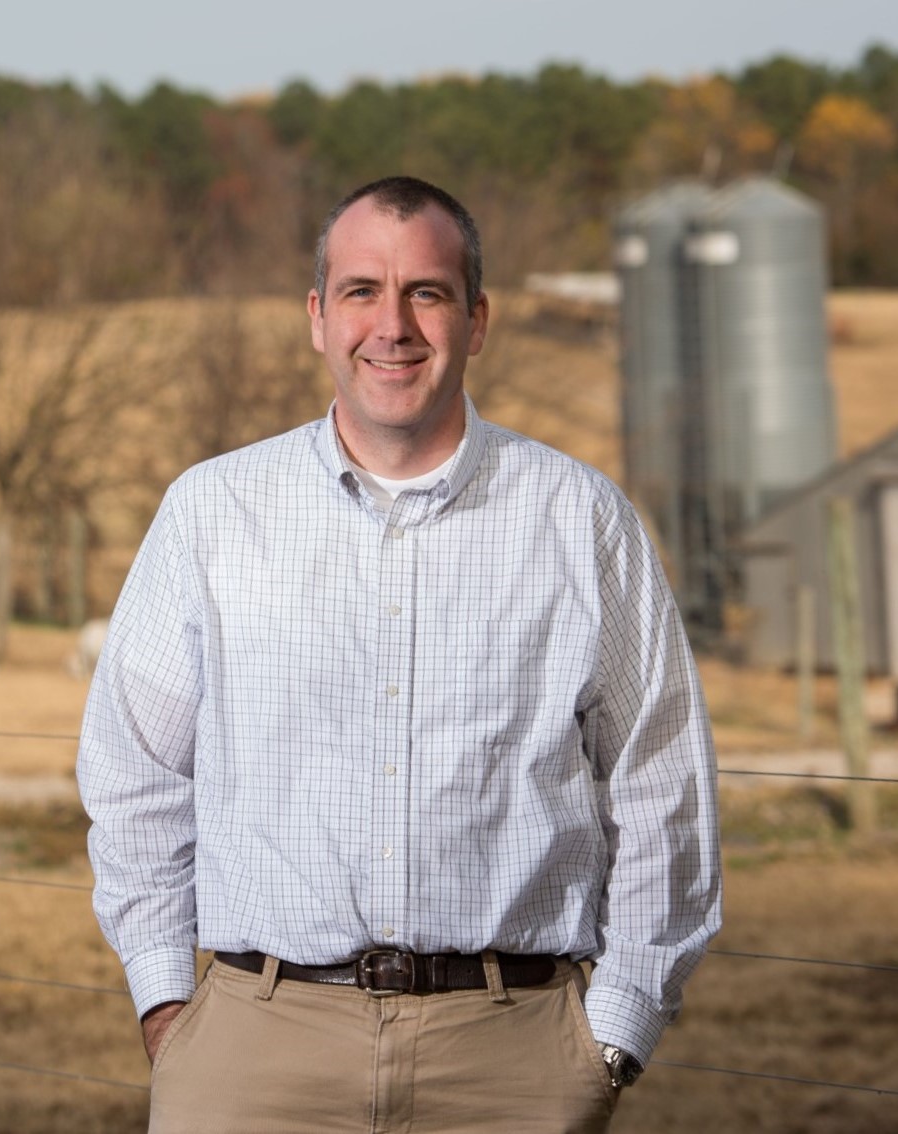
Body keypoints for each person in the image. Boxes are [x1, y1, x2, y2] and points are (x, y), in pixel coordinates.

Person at [77, 175, 722, 1133]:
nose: (394, 325)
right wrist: (170, 1006)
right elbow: (136, 771)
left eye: (426, 292)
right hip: (256, 1058)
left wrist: (609, 1038)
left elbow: (659, 781)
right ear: (316, 316)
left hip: (512, 1062)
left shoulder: (579, 520)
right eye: (360, 291)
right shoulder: (213, 514)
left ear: (477, 318)